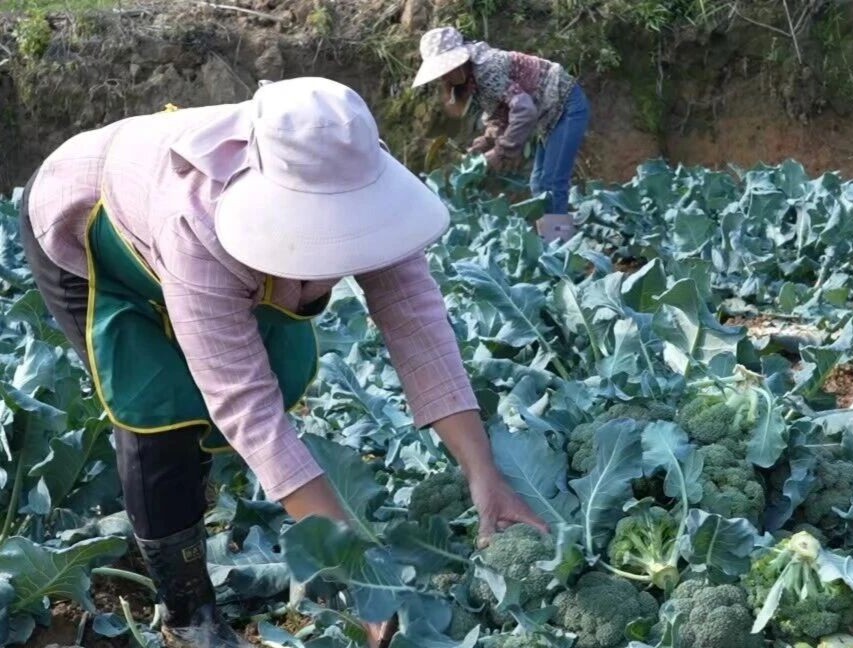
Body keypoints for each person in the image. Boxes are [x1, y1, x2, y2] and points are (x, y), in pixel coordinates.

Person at [20, 77, 546, 648]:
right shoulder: (195, 222)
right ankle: (189, 614)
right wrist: (352, 568)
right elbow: (246, 405)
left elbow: (416, 325)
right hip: (84, 228)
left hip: (188, 239)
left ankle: (193, 500)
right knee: (158, 413)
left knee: (269, 370)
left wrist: (485, 475)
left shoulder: (351, 163)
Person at [412, 26, 590, 245]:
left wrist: (500, 152)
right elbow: (503, 111)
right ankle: (554, 239)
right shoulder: (474, 77)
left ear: (460, 60)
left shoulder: (486, 69)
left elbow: (524, 110)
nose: (444, 76)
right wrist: (487, 139)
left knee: (552, 183)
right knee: (538, 184)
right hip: (550, 112)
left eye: (446, 69)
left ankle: (560, 244)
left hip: (566, 106)